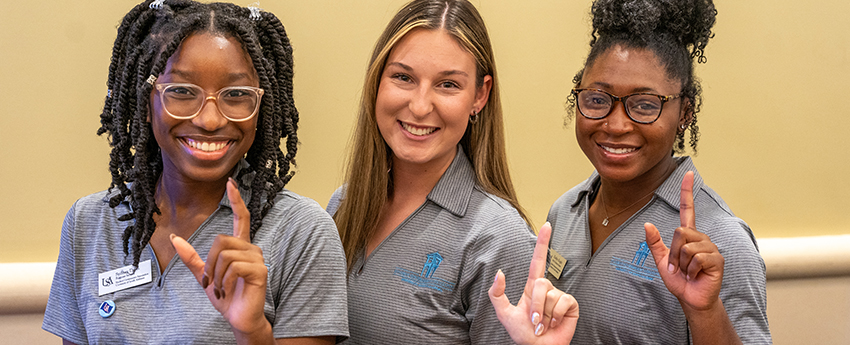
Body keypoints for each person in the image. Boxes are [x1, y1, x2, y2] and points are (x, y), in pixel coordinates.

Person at [42, 1, 348, 344]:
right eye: (182, 92)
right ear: (146, 102)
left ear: (261, 106)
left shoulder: (301, 231)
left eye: (236, 94)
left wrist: (252, 331)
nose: (210, 120)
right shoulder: (90, 223)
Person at [500, 0, 772, 343]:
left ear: (684, 112)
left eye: (644, 105)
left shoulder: (720, 240)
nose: (615, 125)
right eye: (598, 99)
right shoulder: (566, 210)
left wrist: (705, 313)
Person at [325, 0, 564, 343]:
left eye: (448, 84)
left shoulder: (499, 239)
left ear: (480, 96)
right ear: (377, 81)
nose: (420, 106)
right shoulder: (343, 204)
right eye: (403, 77)